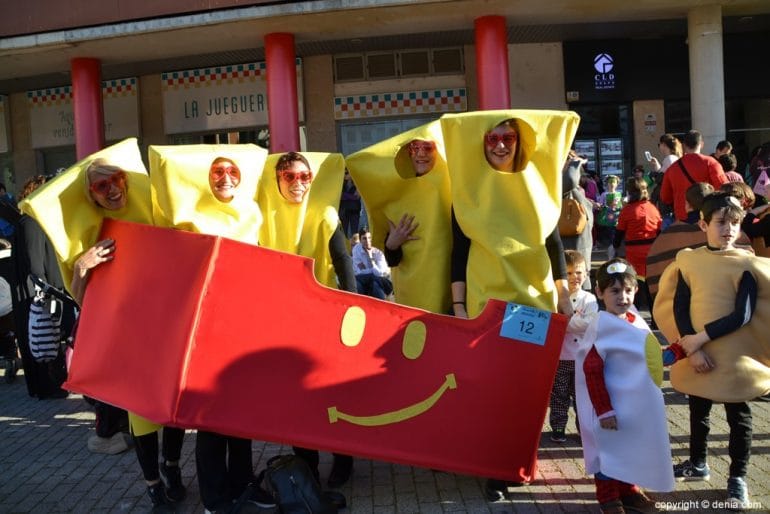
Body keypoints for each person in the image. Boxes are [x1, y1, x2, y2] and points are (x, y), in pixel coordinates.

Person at [440, 111, 578, 498]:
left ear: (520, 143)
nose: (500, 145)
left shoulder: (539, 187)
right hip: (489, 304)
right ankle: (494, 470)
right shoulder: (467, 192)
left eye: (508, 138)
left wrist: (564, 295)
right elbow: (459, 250)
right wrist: (460, 306)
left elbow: (554, 246)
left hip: (532, 302)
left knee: (526, 387)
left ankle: (519, 458)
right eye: (492, 138)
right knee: (491, 389)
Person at [149, 144, 272, 514]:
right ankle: (215, 499)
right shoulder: (189, 217)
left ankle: (244, 484)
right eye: (217, 171)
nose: (226, 178)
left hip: (243, 326)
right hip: (204, 329)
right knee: (210, 419)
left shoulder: (252, 214)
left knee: (240, 413)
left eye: (232, 171)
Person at [71, 159, 188, 513]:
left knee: (173, 408)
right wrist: (81, 266)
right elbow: (83, 299)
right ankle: (153, 486)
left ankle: (171, 466)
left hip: (167, 329)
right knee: (141, 413)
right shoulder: (95, 236)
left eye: (116, 180)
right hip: (130, 338)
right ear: (91, 196)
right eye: (101, 186)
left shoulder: (156, 217)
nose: (112, 189)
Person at [655, 193, 766, 510]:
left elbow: (742, 314)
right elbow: (680, 306)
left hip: (734, 359)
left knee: (739, 418)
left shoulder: (746, 264)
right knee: (698, 411)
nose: (728, 229)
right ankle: (698, 462)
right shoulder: (688, 261)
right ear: (703, 224)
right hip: (696, 355)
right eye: (720, 222)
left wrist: (698, 339)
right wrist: (691, 348)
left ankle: (738, 477)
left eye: (734, 222)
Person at [258, 151, 356, 489]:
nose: (297, 183)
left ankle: (344, 460)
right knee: (298, 399)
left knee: (333, 393)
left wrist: (353, 307)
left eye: (304, 177)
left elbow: (343, 262)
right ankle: (308, 465)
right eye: (289, 176)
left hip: (323, 316)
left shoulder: (325, 214)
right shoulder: (263, 217)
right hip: (283, 321)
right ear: (277, 180)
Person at [575, 258, 675, 514]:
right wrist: (604, 410)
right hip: (610, 408)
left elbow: (647, 356)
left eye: (628, 290)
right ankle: (608, 498)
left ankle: (628, 491)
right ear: (599, 292)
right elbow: (592, 371)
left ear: (636, 292)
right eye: (615, 291)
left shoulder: (635, 322)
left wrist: (676, 353)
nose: (622, 297)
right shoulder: (601, 326)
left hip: (633, 407)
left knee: (628, 448)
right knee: (607, 451)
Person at [346, 123, 452, 314]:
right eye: (414, 148)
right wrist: (393, 243)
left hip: (450, 287)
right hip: (412, 287)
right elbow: (391, 258)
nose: (420, 154)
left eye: (428, 147)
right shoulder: (395, 195)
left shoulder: (453, 187)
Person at [10, 176, 73, 400]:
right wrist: (47, 292)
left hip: (39, 291)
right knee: (44, 337)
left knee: (44, 337)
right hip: (39, 294)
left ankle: (48, 384)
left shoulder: (30, 221)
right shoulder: (32, 223)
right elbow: (36, 265)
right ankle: (48, 385)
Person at [548, 250, 598, 443]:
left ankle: (583, 427)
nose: (574, 277)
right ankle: (558, 426)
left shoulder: (589, 299)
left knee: (581, 397)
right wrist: (575, 320)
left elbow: (589, 323)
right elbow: (555, 323)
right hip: (560, 356)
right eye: (568, 273)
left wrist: (566, 322)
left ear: (586, 273)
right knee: (558, 394)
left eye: (578, 272)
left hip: (581, 357)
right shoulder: (556, 297)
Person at [645, 182, 712, 301]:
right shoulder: (720, 233)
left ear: (687, 205)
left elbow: (654, 270)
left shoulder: (666, 237)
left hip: (672, 308)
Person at [612, 176, 661, 312]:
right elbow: (659, 230)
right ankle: (655, 319)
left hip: (633, 252)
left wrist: (615, 246)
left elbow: (619, 233)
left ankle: (634, 314)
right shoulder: (653, 209)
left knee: (635, 285)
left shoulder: (627, 210)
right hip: (651, 251)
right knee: (652, 287)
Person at [660, 129, 729, 222]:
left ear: (683, 145)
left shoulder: (672, 168)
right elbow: (724, 189)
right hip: (707, 216)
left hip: (681, 218)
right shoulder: (711, 163)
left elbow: (665, 197)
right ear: (701, 144)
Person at [561, 152, 594, 290]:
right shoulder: (561, 185)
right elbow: (569, 180)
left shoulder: (575, 191)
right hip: (572, 252)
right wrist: (576, 162)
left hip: (580, 251)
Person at [352, 227, 392, 300]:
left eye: (369, 238)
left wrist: (371, 258)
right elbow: (359, 272)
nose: (367, 241)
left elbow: (380, 273)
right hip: (364, 279)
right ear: (360, 240)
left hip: (382, 280)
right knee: (357, 283)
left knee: (375, 284)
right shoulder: (356, 249)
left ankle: (380, 307)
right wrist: (372, 271)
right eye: (364, 238)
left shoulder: (378, 250)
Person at [595, 175, 621, 252]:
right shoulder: (604, 194)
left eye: (614, 182)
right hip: (607, 218)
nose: (612, 184)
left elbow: (621, 204)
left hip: (617, 218)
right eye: (610, 183)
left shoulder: (619, 194)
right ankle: (611, 249)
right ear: (607, 184)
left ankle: (615, 248)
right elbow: (600, 204)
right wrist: (601, 206)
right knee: (610, 234)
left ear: (617, 184)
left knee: (616, 234)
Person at [339, 169, 361, 238]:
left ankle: (355, 247)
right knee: (343, 232)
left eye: (347, 173)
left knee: (355, 232)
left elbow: (357, 196)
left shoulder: (357, 183)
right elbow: (340, 195)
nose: (345, 175)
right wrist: (351, 196)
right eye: (344, 173)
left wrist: (345, 196)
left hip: (354, 211)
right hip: (344, 211)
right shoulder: (341, 183)